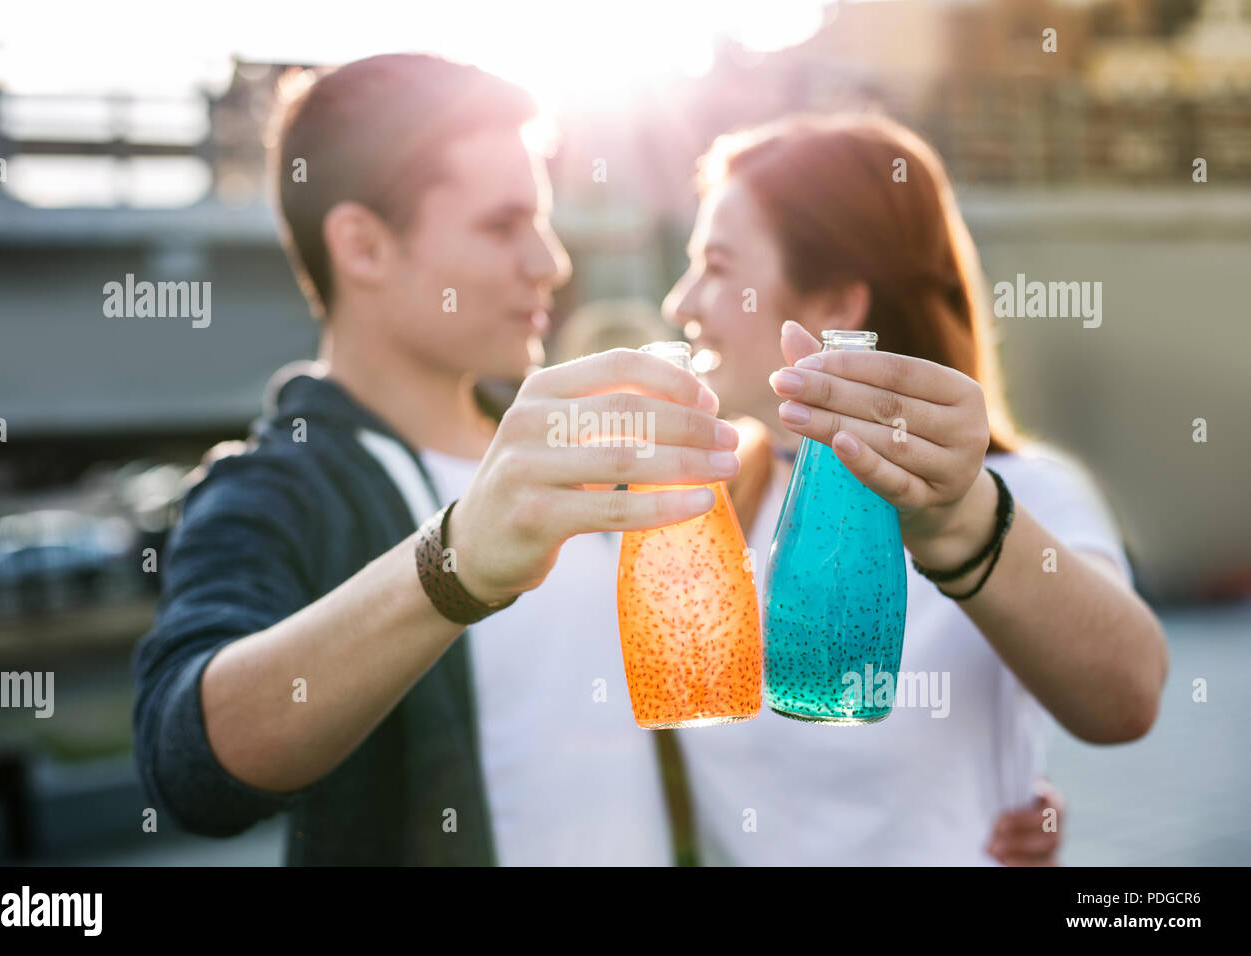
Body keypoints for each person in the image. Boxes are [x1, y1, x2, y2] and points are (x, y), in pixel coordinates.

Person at [131, 53, 742, 865]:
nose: (549, 262)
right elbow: (189, 765)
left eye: (543, 220)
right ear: (364, 247)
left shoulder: (568, 442)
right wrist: (449, 565)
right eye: (502, 225)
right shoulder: (274, 487)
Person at [659, 113, 1169, 865]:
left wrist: (961, 524)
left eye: (718, 266)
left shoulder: (1025, 493)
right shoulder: (715, 497)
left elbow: (1128, 697)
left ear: (834, 306)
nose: (681, 302)